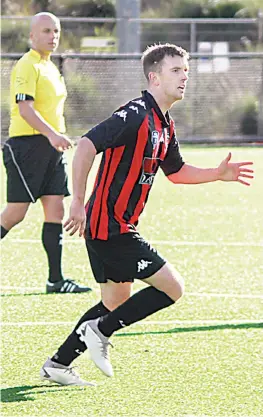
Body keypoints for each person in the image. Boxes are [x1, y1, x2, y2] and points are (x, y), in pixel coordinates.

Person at [40, 43, 254, 386]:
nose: (184, 77)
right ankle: (100, 331)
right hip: (110, 226)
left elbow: (177, 171)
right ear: (154, 77)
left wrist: (217, 173)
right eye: (175, 71)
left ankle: (58, 363)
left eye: (186, 71)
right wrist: (77, 201)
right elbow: (86, 145)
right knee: (172, 288)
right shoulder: (137, 113)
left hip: (114, 225)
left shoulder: (164, 124)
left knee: (115, 300)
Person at [0, 12, 91, 294]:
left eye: (56, 31)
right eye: (46, 31)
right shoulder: (27, 65)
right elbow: (25, 109)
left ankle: (56, 280)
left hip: (51, 149)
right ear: (32, 36)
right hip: (27, 147)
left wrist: (55, 137)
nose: (52, 36)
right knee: (15, 213)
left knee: (55, 209)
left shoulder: (51, 66)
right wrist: (52, 134)